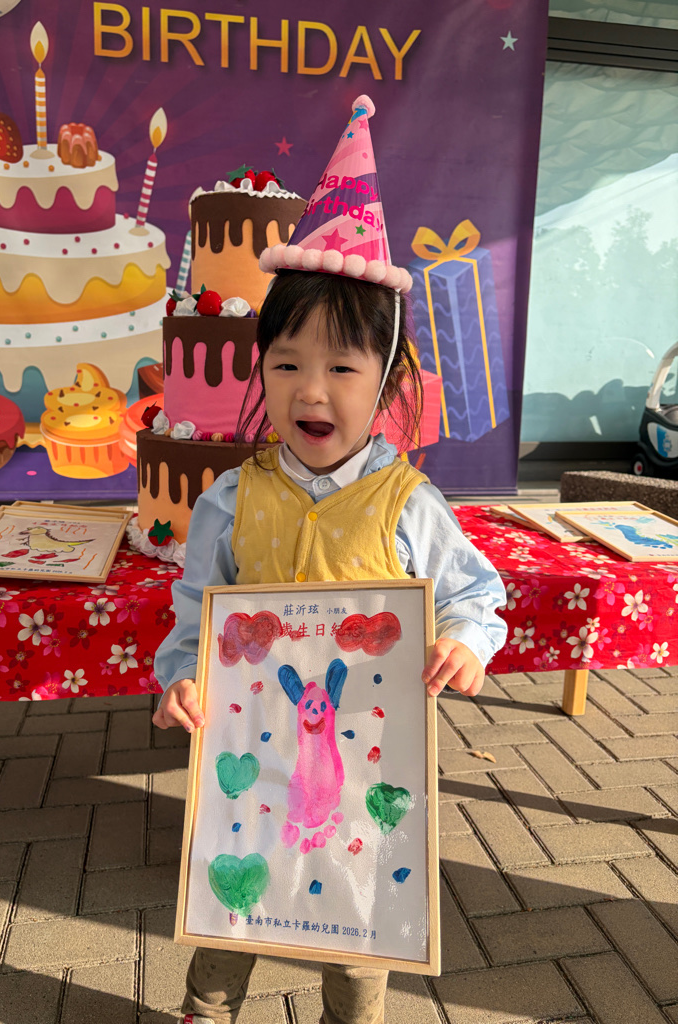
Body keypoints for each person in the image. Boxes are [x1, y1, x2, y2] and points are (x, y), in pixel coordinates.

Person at [152, 266, 507, 1024]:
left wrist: (465, 643)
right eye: (287, 364)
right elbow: (196, 618)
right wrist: (183, 676)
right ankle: (206, 1011)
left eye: (342, 367)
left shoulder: (408, 504)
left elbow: (473, 595)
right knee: (229, 912)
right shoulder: (230, 500)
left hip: (363, 778)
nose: (311, 392)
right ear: (261, 369)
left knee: (359, 929)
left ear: (388, 380)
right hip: (253, 770)